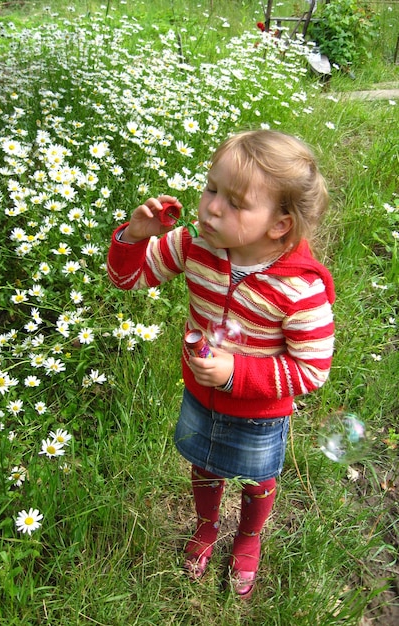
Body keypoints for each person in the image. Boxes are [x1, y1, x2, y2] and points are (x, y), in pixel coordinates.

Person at [107, 129, 335, 598]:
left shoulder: (300, 291)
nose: (212, 207)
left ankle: (248, 538)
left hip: (260, 412)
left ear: (279, 225)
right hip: (200, 392)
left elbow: (311, 371)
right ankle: (207, 526)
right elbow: (127, 278)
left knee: (257, 478)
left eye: (235, 202)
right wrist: (134, 236)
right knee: (204, 464)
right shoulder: (194, 245)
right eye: (211, 188)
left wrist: (237, 373)